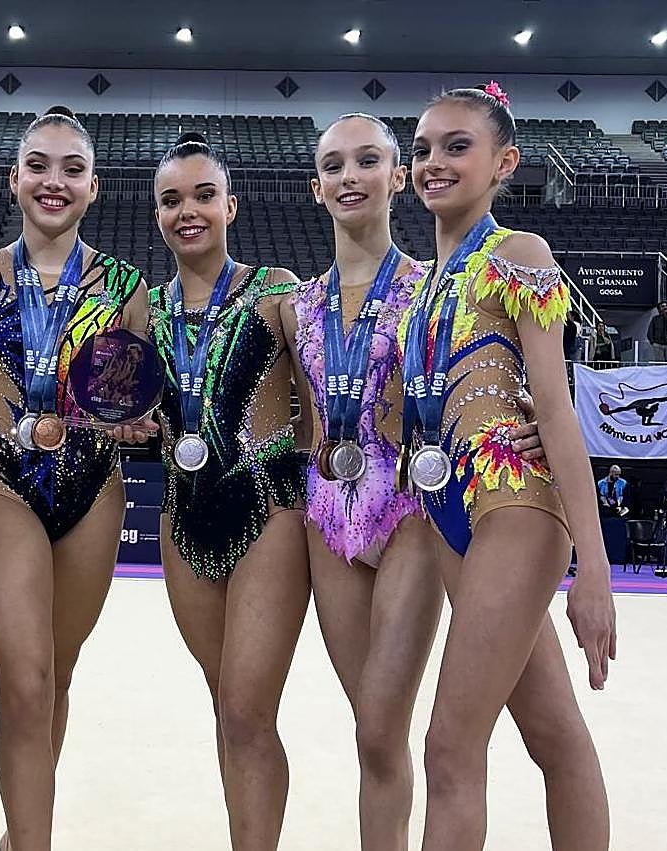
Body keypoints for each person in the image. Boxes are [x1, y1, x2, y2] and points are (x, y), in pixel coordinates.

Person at [286, 113, 545, 851]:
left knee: (381, 718)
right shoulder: (294, 304)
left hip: (411, 510)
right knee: (373, 740)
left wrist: (529, 414)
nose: (349, 177)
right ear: (315, 187)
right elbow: (278, 410)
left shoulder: (439, 285)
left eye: (367, 161)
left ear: (397, 178)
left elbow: (502, 362)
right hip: (327, 515)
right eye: (333, 165)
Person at [406, 83, 615, 851]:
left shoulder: (516, 252)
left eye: (457, 146)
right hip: (455, 517)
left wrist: (593, 569)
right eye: (423, 148)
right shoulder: (426, 286)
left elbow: (554, 408)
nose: (434, 161)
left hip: (515, 508)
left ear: (504, 162)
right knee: (554, 739)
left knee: (448, 746)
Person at [0, 106, 149, 851]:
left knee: (55, 678)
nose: (53, 181)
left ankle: (19, 831)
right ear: (14, 179)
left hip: (93, 486)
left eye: (70, 169)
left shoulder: (125, 284)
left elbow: (126, 396)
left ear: (93, 187)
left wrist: (119, 422)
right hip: (2, 479)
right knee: (23, 682)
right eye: (39, 165)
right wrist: (10, 420)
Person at [143, 133, 308, 849]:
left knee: (246, 712)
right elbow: (127, 411)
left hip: (266, 509)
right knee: (226, 709)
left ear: (231, 205)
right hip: (182, 520)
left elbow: (332, 396)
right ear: (156, 214)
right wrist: (128, 426)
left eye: (203, 195)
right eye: (172, 199)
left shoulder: (276, 291)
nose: (189, 211)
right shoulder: (142, 311)